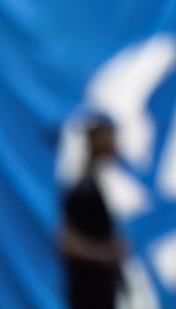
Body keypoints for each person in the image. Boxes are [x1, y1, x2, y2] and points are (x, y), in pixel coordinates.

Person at [58, 116, 126, 309]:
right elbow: (66, 242)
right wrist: (105, 253)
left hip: (102, 290)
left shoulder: (99, 188)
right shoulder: (83, 191)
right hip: (88, 292)